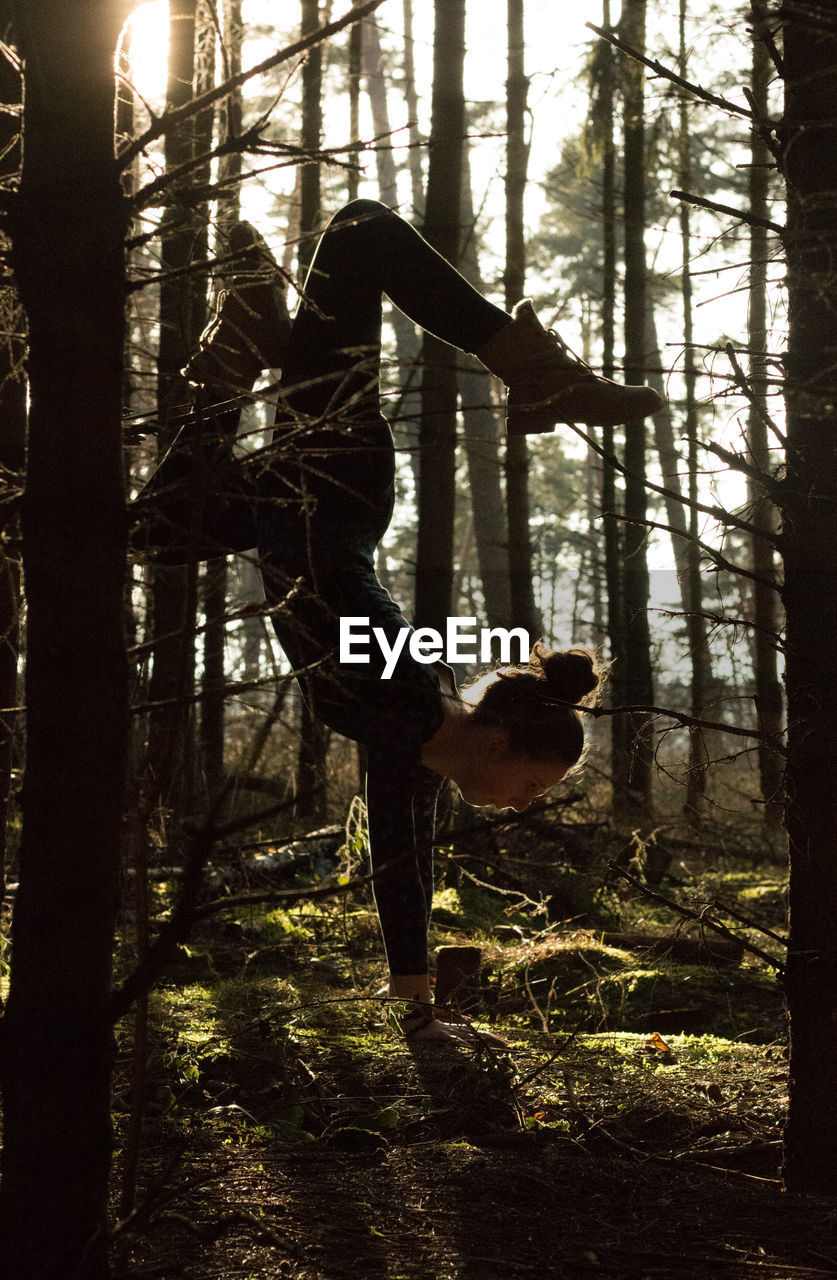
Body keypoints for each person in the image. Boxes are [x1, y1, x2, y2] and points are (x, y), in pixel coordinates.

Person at [139, 200, 658, 1043]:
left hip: (296, 511)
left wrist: (415, 1002)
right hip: (331, 486)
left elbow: (400, 860)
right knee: (362, 233)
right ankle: (528, 368)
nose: (519, 803)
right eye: (529, 784)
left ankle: (245, 344)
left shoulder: (416, 740)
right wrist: (332, 594)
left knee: (147, 534)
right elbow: (357, 621)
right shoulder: (407, 700)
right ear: (496, 744)